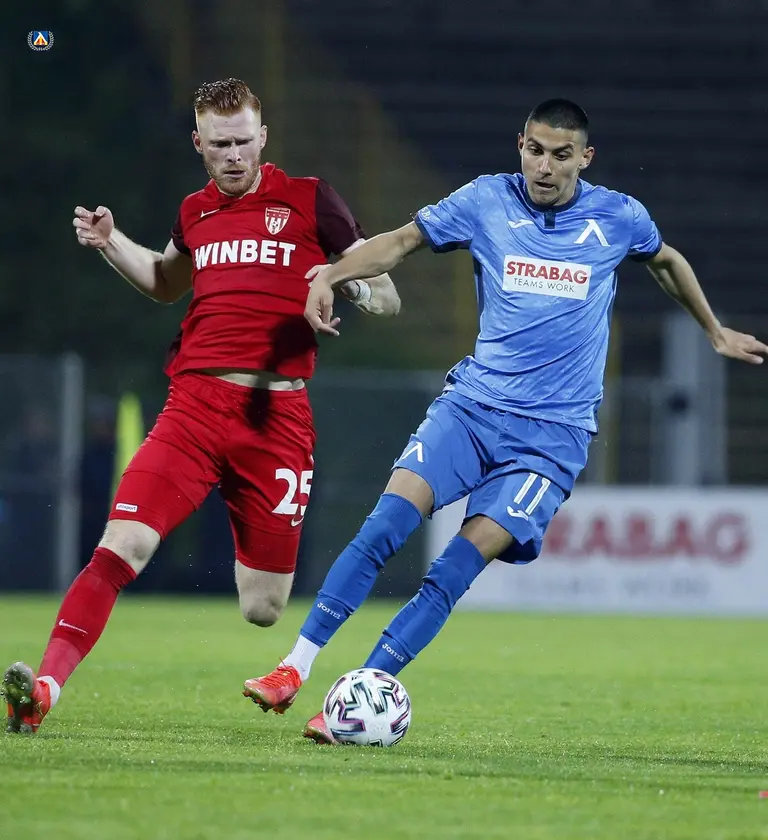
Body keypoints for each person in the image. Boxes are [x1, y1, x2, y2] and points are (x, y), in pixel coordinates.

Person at [243, 98, 768, 743]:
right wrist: (330, 274)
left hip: (550, 443)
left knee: (451, 571)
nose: (544, 167)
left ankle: (356, 700)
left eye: (561, 155)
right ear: (520, 144)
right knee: (383, 527)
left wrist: (713, 330)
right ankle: (293, 668)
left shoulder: (619, 217)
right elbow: (402, 242)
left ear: (585, 158)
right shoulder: (485, 201)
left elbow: (666, 261)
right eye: (535, 151)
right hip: (471, 411)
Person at [2, 78, 400, 734]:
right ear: (199, 144)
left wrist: (337, 281)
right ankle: (42, 691)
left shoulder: (310, 199)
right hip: (194, 407)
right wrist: (110, 243)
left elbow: (388, 298)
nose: (233, 155)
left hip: (276, 419)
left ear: (263, 137)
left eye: (243, 141)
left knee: (263, 606)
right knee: (122, 544)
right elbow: (166, 283)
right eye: (220, 145)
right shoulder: (195, 212)